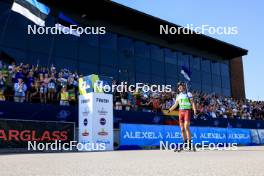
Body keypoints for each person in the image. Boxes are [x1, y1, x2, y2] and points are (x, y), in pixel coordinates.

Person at [168, 82, 197, 151]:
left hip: (187, 111)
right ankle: (185, 143)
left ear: (183, 87)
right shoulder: (178, 95)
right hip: (180, 112)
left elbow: (192, 103)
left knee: (186, 126)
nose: (179, 88)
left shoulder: (188, 94)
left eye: (180, 86)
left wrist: (195, 110)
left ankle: (189, 144)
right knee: (182, 129)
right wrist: (169, 110)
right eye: (178, 87)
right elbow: (175, 104)